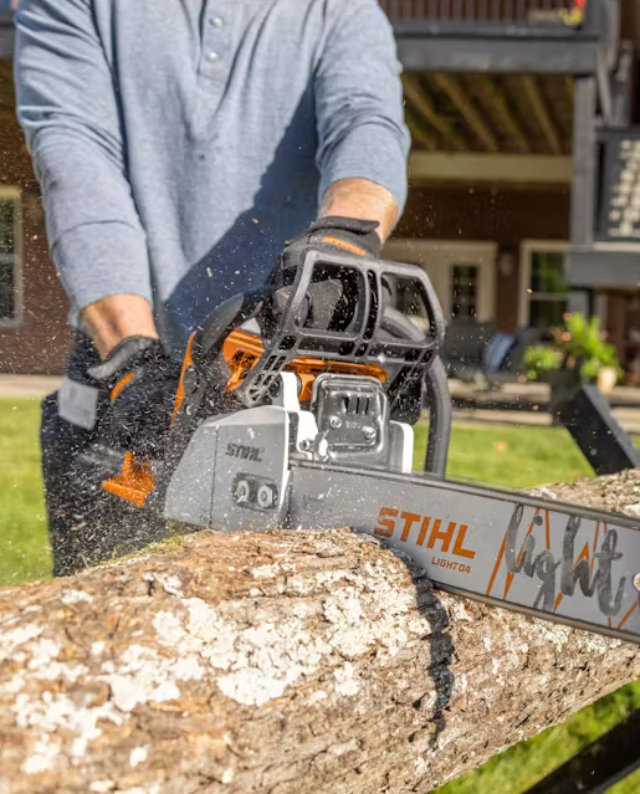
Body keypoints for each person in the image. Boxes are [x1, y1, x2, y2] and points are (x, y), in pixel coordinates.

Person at [13, 0, 411, 577]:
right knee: (100, 614)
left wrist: (341, 243)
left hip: (272, 371)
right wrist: (132, 352)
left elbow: (366, 122)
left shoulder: (337, 11)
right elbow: (75, 152)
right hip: (125, 366)